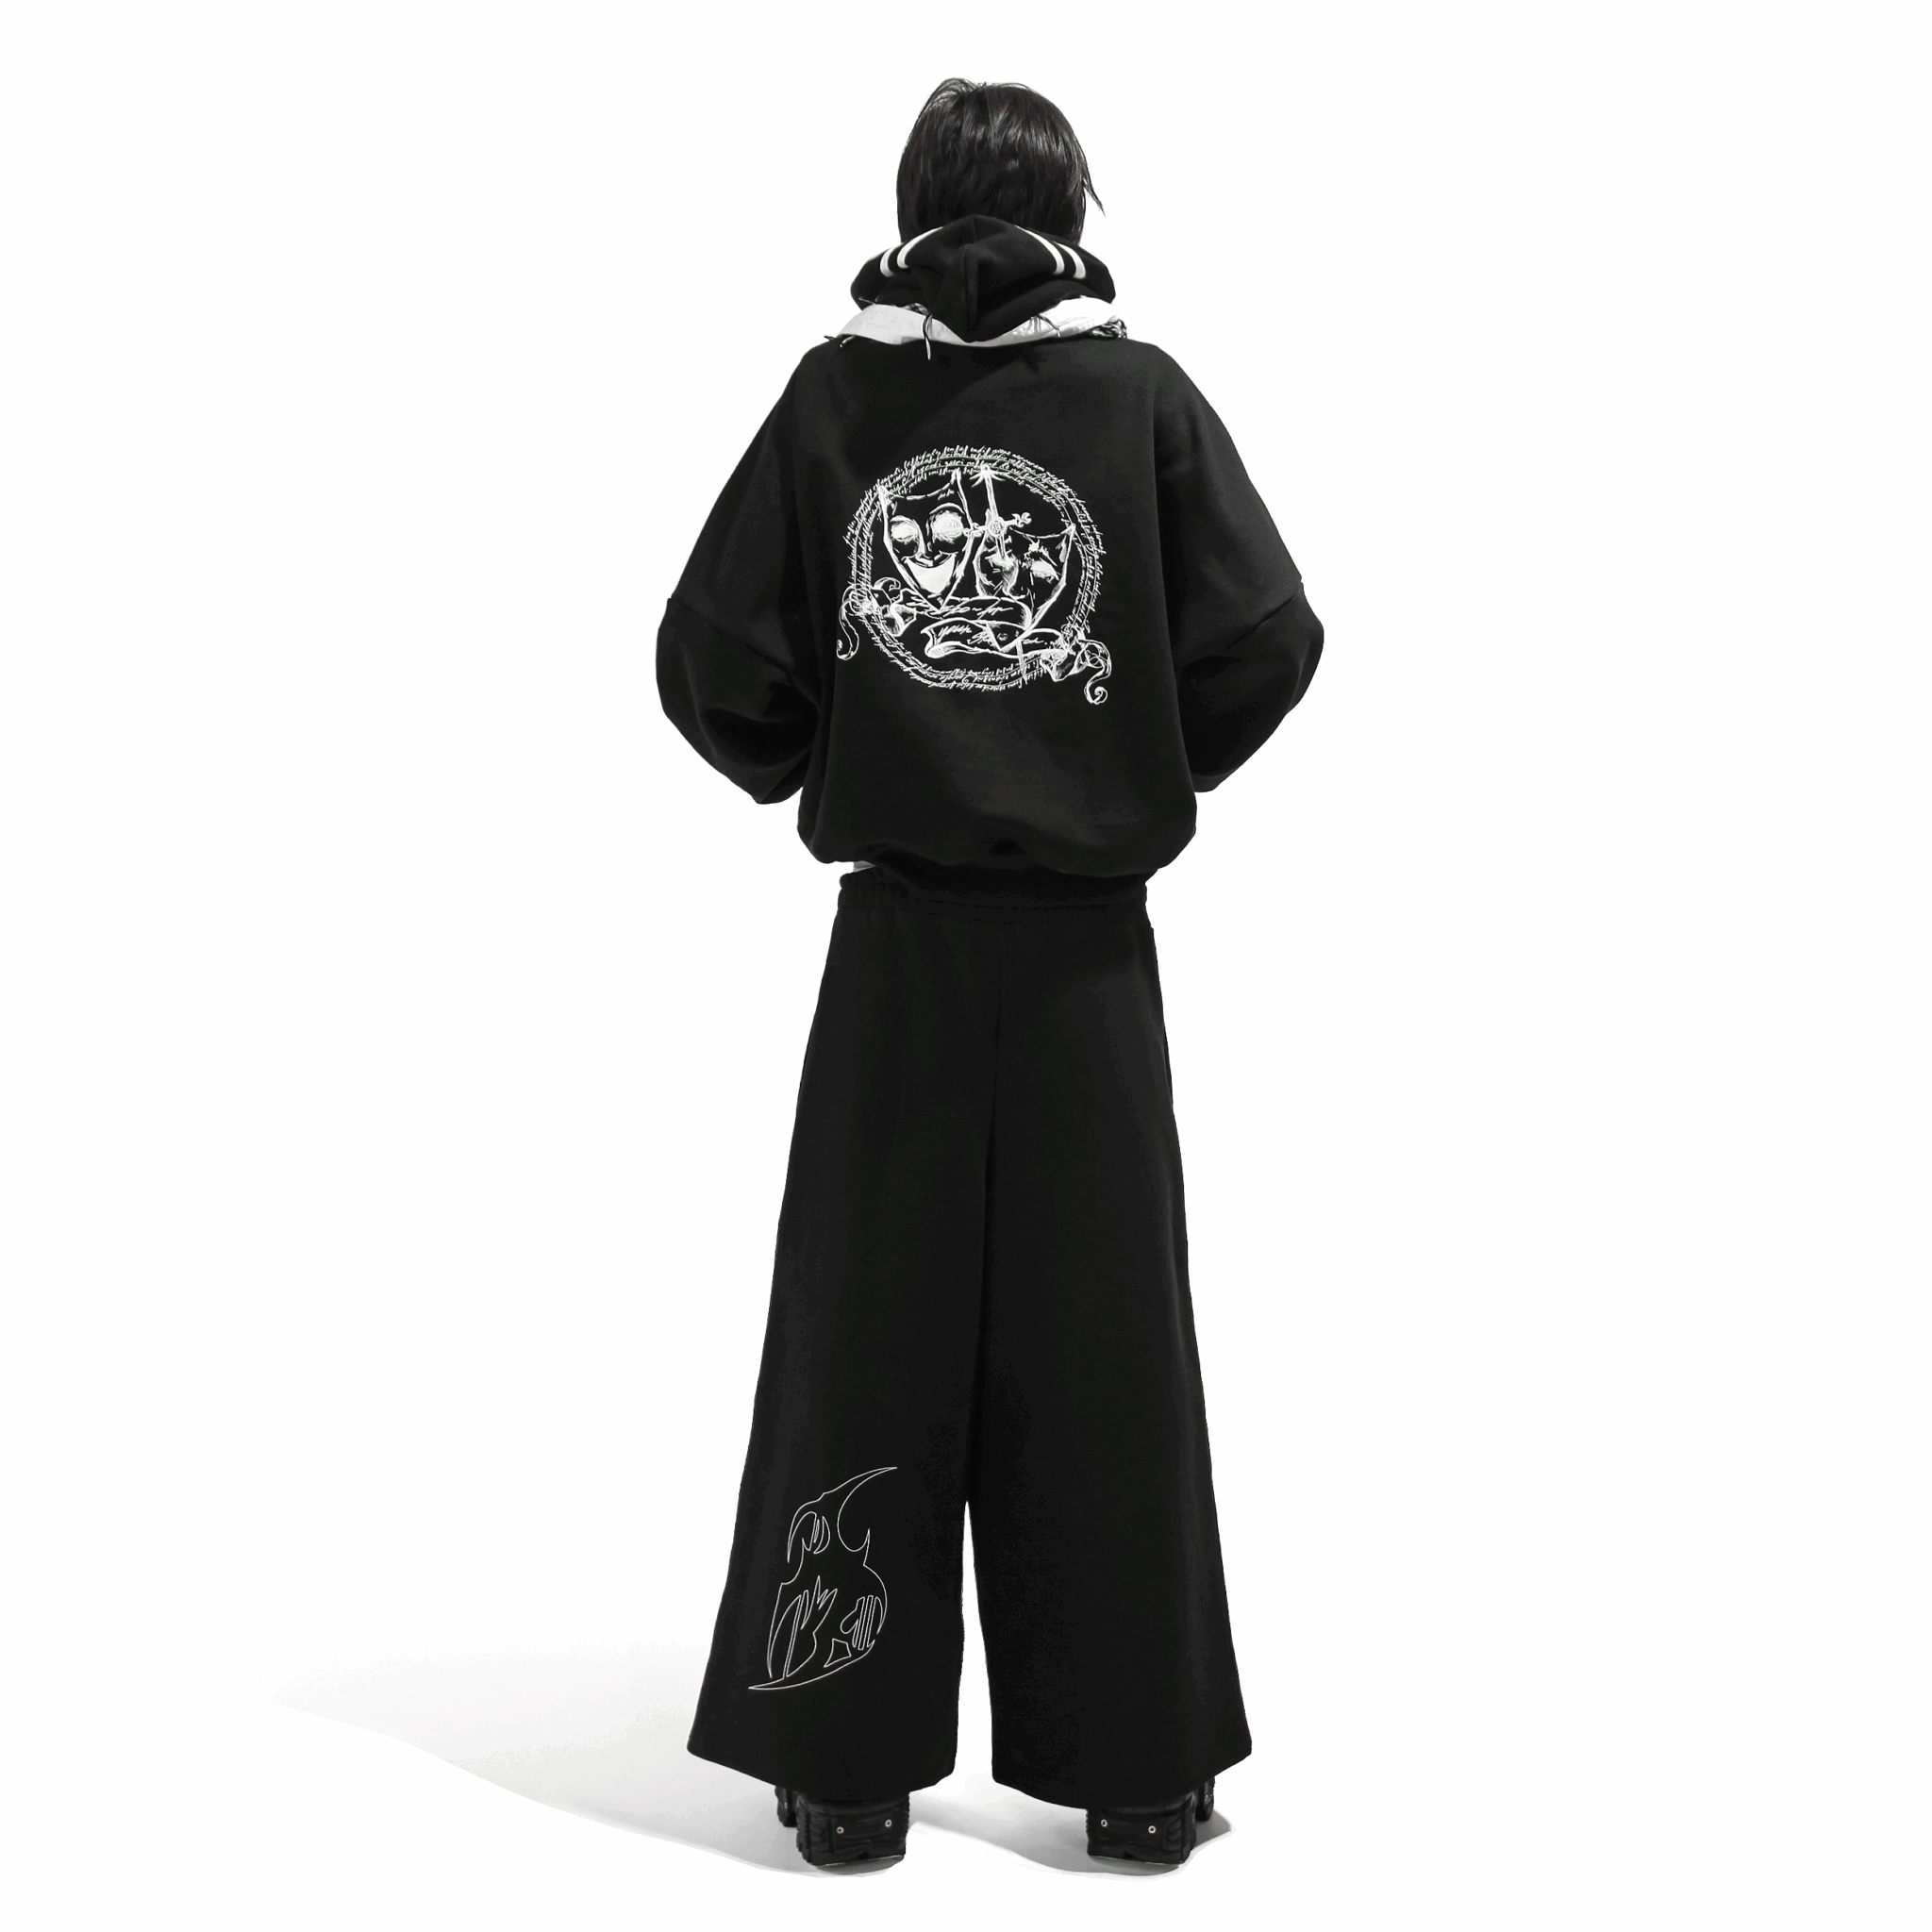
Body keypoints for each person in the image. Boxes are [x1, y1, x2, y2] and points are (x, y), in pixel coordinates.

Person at [657, 76, 1324, 1870]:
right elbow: (1270, 633)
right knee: (1107, 1352)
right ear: (1074, 212)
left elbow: (712, 658)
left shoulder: (833, 397)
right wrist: (1134, 754)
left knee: (862, 1337)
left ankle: (844, 1768)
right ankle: (1141, 1774)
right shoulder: (1141, 396)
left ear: (912, 206)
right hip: (1091, 956)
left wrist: (840, 749)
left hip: (898, 948)